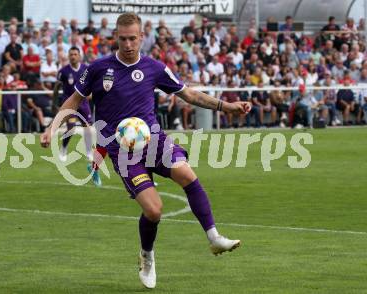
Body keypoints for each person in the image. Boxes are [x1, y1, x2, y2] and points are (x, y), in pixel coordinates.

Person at [40, 13, 250, 289]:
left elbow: (189, 95)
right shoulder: (97, 68)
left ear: (141, 37)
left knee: (187, 174)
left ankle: (213, 238)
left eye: (133, 38)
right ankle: (147, 256)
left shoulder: (154, 68)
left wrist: (226, 106)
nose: (128, 44)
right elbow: (73, 100)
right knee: (154, 211)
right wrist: (52, 127)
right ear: (116, 37)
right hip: (122, 151)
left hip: (154, 140)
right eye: (123, 38)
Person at [53, 46, 102, 186]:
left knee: (87, 127)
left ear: (79, 56)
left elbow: (92, 85)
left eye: (75, 54)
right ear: (68, 56)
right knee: (71, 127)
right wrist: (54, 102)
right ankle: (63, 150)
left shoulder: (86, 69)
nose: (73, 56)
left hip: (83, 102)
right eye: (71, 54)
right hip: (69, 102)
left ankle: (88, 152)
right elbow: (57, 86)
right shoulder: (63, 71)